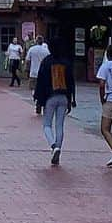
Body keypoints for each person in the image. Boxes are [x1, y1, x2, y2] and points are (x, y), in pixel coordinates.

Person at [34, 35, 76, 165]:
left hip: (50, 96)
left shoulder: (46, 62)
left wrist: (39, 99)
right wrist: (71, 99)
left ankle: (53, 145)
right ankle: (59, 147)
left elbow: (40, 82)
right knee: (59, 125)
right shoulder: (66, 62)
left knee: (47, 124)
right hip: (63, 96)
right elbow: (71, 82)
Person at [25, 36, 50, 114]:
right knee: (44, 89)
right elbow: (49, 60)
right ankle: (42, 102)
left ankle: (37, 101)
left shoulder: (32, 49)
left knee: (34, 89)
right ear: (42, 41)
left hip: (34, 72)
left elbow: (27, 60)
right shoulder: (46, 51)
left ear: (36, 41)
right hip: (44, 73)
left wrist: (27, 70)